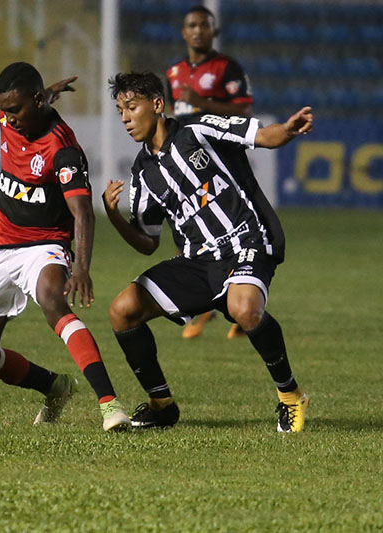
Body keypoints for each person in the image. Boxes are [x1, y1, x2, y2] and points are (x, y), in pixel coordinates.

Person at [103, 72, 312, 432]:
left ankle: (291, 396)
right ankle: (162, 405)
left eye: (131, 107)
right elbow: (147, 241)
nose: (124, 117)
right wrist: (112, 216)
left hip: (247, 240)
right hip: (197, 262)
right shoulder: (142, 174)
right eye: (120, 110)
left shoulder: (198, 129)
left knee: (244, 309)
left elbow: (261, 135)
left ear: (156, 105)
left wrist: (289, 131)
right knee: (123, 311)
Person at [0, 62, 130, 432]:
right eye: (4, 110)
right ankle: (54, 386)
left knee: (54, 300)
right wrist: (48, 92)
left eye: (15, 110)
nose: (8, 119)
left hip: (44, 243)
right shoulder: (15, 116)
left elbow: (83, 213)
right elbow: (34, 103)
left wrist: (81, 267)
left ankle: (110, 404)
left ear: (35, 101)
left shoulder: (63, 150)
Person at [166, 4, 254, 338]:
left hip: (221, 163)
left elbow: (243, 110)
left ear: (213, 30)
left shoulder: (227, 67)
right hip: (185, 163)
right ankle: (213, 305)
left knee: (233, 233)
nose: (198, 30)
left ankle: (241, 305)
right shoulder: (174, 72)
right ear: (184, 32)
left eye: (205, 25)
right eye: (192, 25)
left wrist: (202, 103)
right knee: (185, 230)